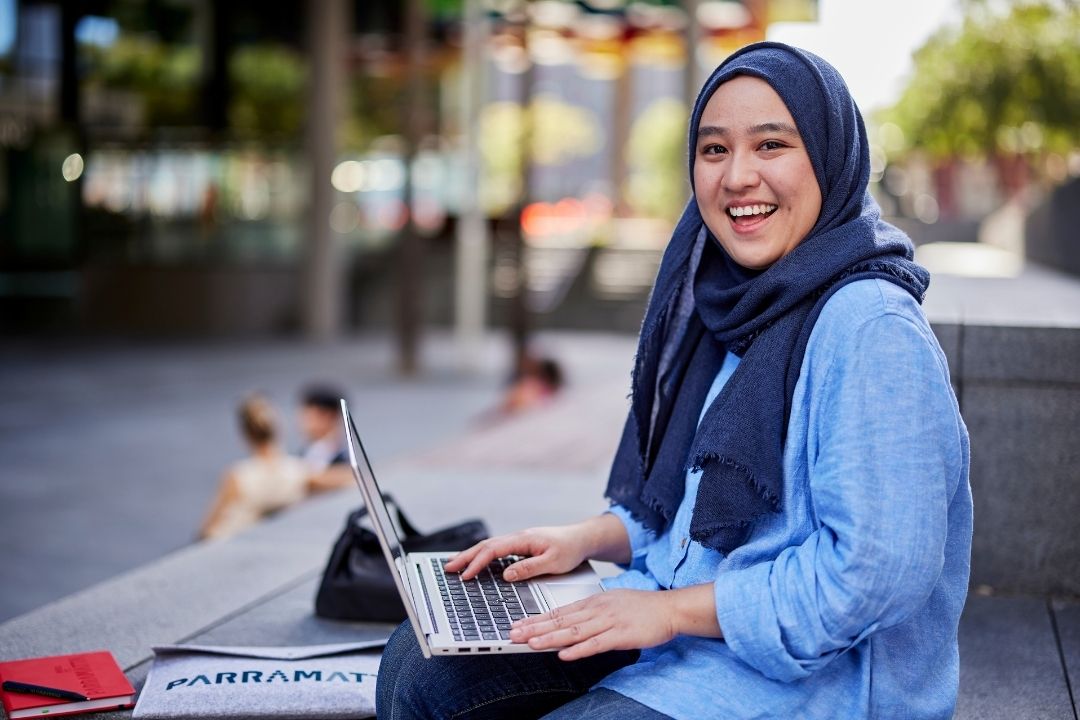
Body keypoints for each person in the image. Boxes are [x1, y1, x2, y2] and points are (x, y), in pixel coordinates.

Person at [375, 42, 972, 719]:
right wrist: (584, 540)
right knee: (418, 666)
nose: (737, 176)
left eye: (771, 145)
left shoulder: (869, 328)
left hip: (812, 681)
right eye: (714, 150)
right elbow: (697, 519)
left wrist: (668, 613)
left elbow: (875, 576)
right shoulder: (730, 305)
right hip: (679, 628)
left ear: (832, 160)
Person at [199, 394, 310, 540]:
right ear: (279, 429)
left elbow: (207, 527)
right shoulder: (299, 470)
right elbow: (343, 476)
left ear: (245, 434)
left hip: (234, 542)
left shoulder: (238, 475)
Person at [298, 384, 354, 492]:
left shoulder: (348, 458)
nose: (302, 421)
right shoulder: (303, 454)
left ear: (328, 415)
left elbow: (354, 476)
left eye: (309, 414)